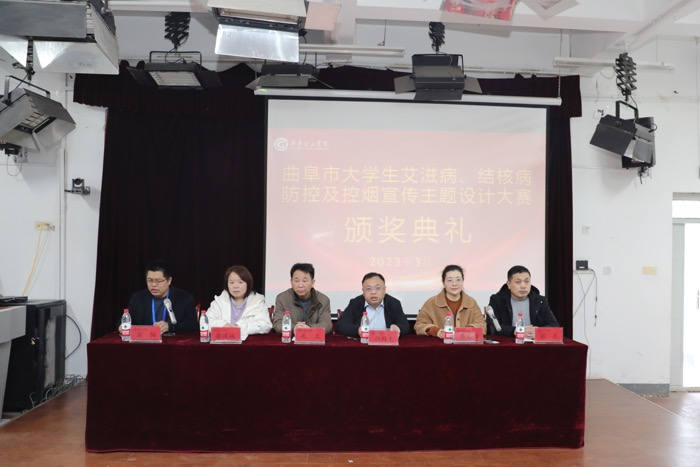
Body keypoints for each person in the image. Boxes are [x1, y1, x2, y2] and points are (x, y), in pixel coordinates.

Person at [120, 260, 197, 335]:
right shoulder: (138, 298)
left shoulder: (184, 298)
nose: (153, 285)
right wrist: (121, 326)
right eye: (150, 280)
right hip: (145, 341)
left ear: (169, 280)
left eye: (158, 281)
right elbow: (124, 320)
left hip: (173, 341)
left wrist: (170, 327)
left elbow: (192, 325)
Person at [487, 265, 559, 338]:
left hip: (533, 342)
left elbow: (554, 325)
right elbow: (491, 327)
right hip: (509, 342)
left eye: (526, 281)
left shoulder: (540, 300)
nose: (523, 286)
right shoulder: (497, 300)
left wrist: (539, 331)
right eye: (518, 282)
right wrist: (514, 331)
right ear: (509, 284)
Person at [415, 264, 486, 337]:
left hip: (465, 343)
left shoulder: (471, 302)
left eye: (458, 280)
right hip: (439, 343)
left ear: (463, 281)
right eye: (450, 280)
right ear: (443, 282)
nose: (454, 284)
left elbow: (482, 326)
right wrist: (436, 331)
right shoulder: (431, 303)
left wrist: (467, 330)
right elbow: (420, 325)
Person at [206, 265, 272, 340]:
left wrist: (239, 327)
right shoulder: (219, 302)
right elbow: (206, 322)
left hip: (248, 343)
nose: (235, 286)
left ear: (248, 284)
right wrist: (223, 325)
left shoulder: (257, 302)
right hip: (223, 343)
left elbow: (265, 325)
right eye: (231, 282)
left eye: (240, 282)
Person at [336, 272, 410, 338]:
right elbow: (341, 325)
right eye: (368, 289)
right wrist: (358, 330)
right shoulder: (355, 303)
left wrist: (398, 328)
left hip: (386, 344)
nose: (373, 292)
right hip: (363, 345)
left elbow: (405, 325)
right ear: (363, 291)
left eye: (377, 288)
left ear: (384, 290)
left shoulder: (393, 303)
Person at [273, 263, 332, 335]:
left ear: (312, 282)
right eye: (296, 281)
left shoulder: (323, 300)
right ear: (291, 282)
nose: (300, 285)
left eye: (304, 281)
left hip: (314, 340)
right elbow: (278, 324)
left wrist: (309, 328)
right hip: (290, 339)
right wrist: (294, 328)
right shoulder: (282, 298)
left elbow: (327, 325)